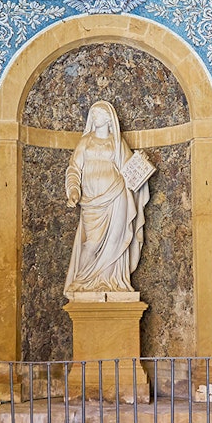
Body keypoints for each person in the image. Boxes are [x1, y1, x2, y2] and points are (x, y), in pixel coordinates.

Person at [64, 101, 149, 297]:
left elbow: (130, 171)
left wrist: (140, 165)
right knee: (91, 243)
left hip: (117, 196)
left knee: (115, 241)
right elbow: (74, 169)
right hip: (92, 201)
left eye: (99, 114)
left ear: (109, 118)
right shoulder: (85, 142)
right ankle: (82, 281)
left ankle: (113, 282)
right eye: (93, 114)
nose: (95, 117)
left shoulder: (118, 143)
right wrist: (74, 190)